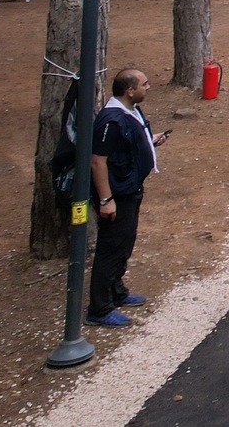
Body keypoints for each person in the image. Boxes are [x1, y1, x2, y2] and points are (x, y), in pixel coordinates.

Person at [87, 66, 164, 326]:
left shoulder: (130, 111)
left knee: (124, 243)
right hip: (117, 194)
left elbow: (129, 143)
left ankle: (116, 290)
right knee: (111, 247)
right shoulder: (112, 120)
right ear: (129, 90)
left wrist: (149, 141)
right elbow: (98, 161)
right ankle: (99, 308)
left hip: (130, 190)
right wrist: (106, 200)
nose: (148, 87)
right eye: (144, 84)